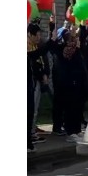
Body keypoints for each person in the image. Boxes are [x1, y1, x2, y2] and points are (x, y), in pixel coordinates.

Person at [50, 27, 88, 142]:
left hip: (78, 82)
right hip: (68, 83)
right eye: (72, 38)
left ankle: (77, 130)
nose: (75, 40)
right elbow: (53, 48)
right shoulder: (63, 50)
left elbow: (82, 37)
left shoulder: (77, 50)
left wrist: (81, 27)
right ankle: (70, 131)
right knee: (70, 108)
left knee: (78, 107)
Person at [28, 17, 56, 151]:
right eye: (37, 35)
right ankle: (30, 134)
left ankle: (31, 133)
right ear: (30, 35)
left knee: (34, 108)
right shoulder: (28, 47)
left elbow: (41, 56)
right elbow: (38, 55)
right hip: (31, 82)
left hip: (35, 81)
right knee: (30, 109)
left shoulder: (34, 45)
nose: (39, 37)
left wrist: (51, 27)